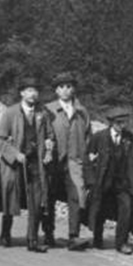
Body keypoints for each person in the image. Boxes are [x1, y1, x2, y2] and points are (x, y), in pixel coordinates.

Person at [0, 77, 54, 252]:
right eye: (29, 90)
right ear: (22, 93)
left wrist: (49, 150)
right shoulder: (11, 113)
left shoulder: (42, 113)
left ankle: (32, 240)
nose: (33, 94)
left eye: (35, 91)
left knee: (36, 201)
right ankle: (6, 233)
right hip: (15, 165)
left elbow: (50, 136)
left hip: (36, 163)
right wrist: (15, 153)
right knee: (11, 198)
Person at [44, 72, 93, 250]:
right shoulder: (47, 110)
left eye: (69, 86)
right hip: (53, 162)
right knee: (48, 197)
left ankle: (73, 236)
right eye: (61, 87)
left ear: (73, 89)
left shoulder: (82, 112)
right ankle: (48, 234)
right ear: (56, 90)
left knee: (76, 196)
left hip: (74, 162)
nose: (65, 90)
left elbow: (88, 136)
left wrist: (85, 157)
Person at [87, 106, 133, 255]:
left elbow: (132, 162)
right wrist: (91, 181)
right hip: (103, 181)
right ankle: (97, 238)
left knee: (126, 209)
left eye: (124, 122)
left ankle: (121, 242)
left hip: (122, 182)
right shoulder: (99, 137)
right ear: (111, 123)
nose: (122, 126)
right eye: (118, 123)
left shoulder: (130, 138)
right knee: (99, 210)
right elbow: (88, 159)